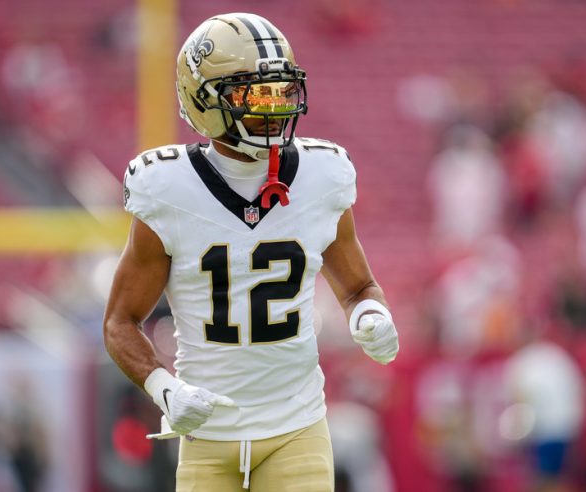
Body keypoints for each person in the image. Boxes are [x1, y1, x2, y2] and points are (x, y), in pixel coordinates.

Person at [102, 12, 399, 492]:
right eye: (255, 95)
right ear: (205, 102)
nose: (275, 107)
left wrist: (370, 313)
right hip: (209, 436)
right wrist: (165, 389)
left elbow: (359, 286)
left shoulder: (323, 176)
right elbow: (120, 320)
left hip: (296, 428)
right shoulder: (168, 190)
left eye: (282, 91)